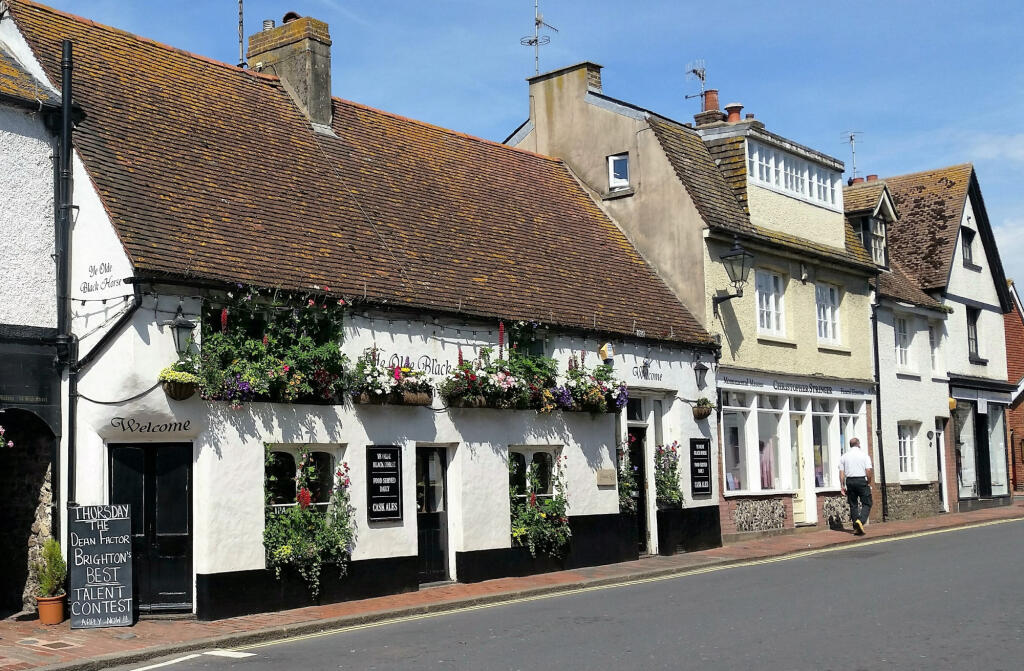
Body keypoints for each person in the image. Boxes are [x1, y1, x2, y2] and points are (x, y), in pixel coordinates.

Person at [839, 437, 873, 535]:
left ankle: (856, 528)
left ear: (850, 445)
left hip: (849, 481)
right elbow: (868, 471)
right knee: (867, 503)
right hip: (861, 480)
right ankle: (860, 521)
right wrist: (869, 482)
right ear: (858, 444)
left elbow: (841, 473)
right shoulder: (864, 455)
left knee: (853, 504)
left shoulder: (844, 456)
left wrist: (842, 486)